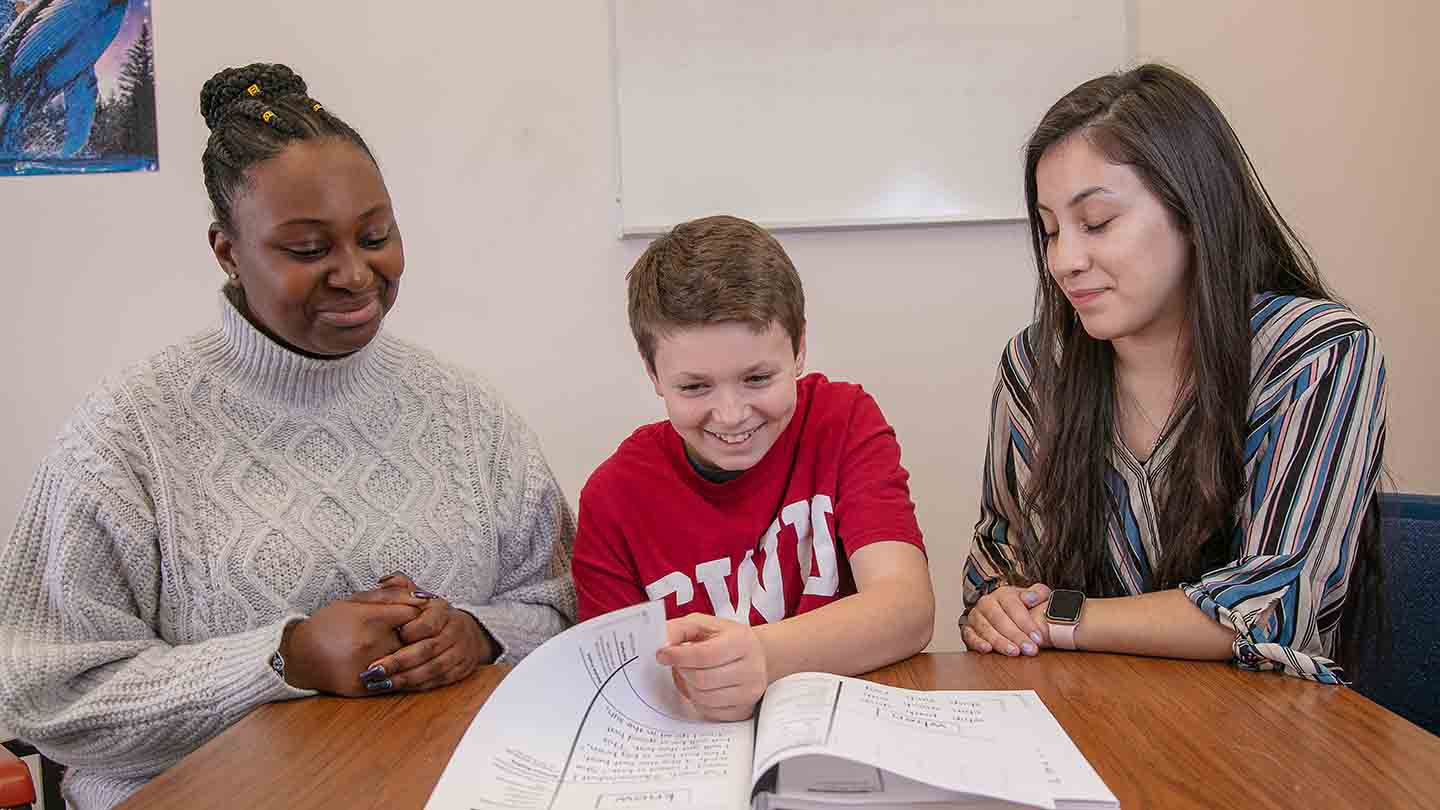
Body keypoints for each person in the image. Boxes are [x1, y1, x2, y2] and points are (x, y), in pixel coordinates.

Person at [0, 63, 575, 809]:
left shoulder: (467, 412)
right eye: (307, 250)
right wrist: (286, 659)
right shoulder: (127, 433)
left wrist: (479, 635)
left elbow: (560, 606)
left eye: (376, 236)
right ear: (227, 252)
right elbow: (48, 693)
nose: (356, 274)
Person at [961, 64, 1387, 683]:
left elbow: (1270, 606)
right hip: (1083, 713)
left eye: (1097, 223)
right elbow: (997, 563)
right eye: (1050, 231)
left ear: (1191, 211)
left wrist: (1061, 619)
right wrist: (997, 609)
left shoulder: (1315, 351)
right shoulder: (1035, 365)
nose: (1063, 261)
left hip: (1257, 728)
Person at [572, 215, 935, 721]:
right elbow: (615, 684)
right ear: (653, 373)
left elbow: (908, 609)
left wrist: (763, 655)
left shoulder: (843, 421)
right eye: (694, 387)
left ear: (799, 347)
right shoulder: (614, 498)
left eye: (758, 378)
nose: (731, 415)